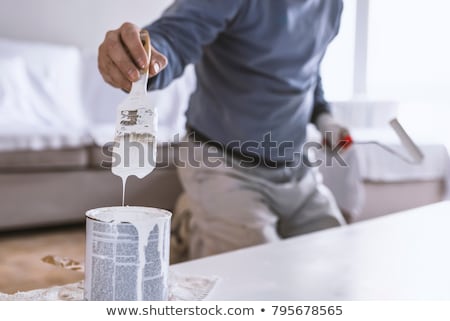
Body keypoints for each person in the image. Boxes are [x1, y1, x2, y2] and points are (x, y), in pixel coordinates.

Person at [98, 0, 350, 259]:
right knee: (255, 276)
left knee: (336, 262)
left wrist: (324, 117)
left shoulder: (332, 5)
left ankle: (197, 213)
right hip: (224, 164)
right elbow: (174, 37)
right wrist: (140, 56)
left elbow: (308, 72)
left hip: (297, 168)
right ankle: (194, 223)